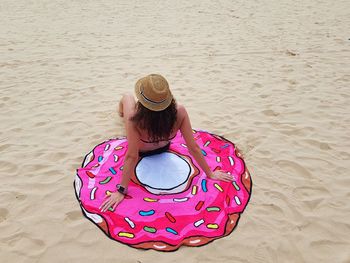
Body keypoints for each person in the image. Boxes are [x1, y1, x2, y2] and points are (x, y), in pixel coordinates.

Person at [100, 74, 233, 212]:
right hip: (164, 148)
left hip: (142, 153)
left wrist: (121, 190)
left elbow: (132, 156)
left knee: (127, 97)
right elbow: (193, 147)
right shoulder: (179, 111)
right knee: (128, 104)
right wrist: (210, 173)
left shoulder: (135, 119)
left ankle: (121, 111)